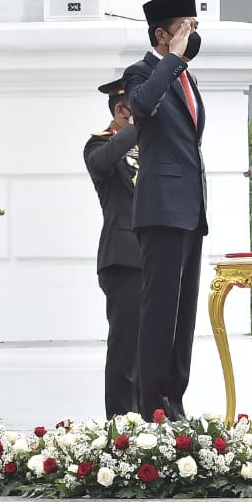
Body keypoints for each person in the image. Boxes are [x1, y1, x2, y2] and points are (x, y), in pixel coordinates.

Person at [125, 0, 205, 419]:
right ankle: (153, 405)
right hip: (161, 209)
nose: (193, 36)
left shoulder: (186, 77)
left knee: (183, 314)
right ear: (162, 34)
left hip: (190, 209)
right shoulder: (141, 73)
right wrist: (171, 60)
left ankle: (175, 399)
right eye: (185, 28)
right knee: (159, 310)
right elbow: (141, 106)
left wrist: (179, 64)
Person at [85, 76, 142, 417]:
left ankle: (153, 419)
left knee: (153, 347)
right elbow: (103, 163)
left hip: (155, 256)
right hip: (124, 258)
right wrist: (135, 128)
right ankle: (121, 422)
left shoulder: (153, 145)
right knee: (126, 347)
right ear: (123, 110)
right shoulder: (99, 145)